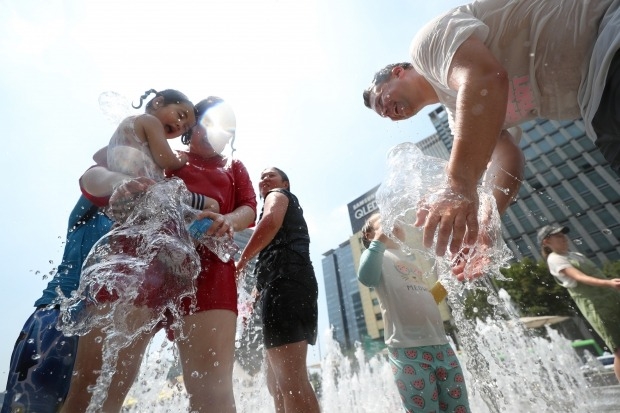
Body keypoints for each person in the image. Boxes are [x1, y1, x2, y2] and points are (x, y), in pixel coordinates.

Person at [363, 0, 620, 275]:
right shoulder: (457, 116)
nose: (388, 112)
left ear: (398, 72)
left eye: (382, 100)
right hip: (594, 104)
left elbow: (485, 78)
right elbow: (507, 158)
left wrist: (458, 184)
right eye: (383, 115)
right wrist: (487, 224)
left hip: (606, 35)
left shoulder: (426, 46)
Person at [61, 97, 257, 413]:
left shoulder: (232, 167)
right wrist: (119, 182)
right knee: (95, 391)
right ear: (192, 124)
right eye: (210, 121)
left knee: (212, 397)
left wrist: (228, 220)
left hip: (208, 269)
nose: (216, 131)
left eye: (227, 128)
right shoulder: (162, 158)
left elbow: (248, 208)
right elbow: (93, 177)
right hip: (141, 262)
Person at [0, 193, 113, 413]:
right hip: (55, 317)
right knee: (29, 406)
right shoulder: (83, 218)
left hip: (100, 328)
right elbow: (99, 167)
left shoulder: (131, 228)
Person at [358, 212, 470, 413]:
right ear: (369, 235)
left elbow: (427, 298)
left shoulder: (410, 261)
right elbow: (366, 277)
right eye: (384, 220)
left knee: (459, 408)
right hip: (408, 350)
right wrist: (379, 240)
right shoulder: (376, 256)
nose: (392, 221)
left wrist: (448, 279)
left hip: (442, 346)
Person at [236, 167, 320, 413]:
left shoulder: (278, 195)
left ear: (285, 182)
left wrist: (241, 262)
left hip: (286, 285)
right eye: (261, 177)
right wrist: (256, 296)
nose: (264, 179)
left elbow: (271, 220)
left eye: (270, 174)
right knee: (277, 384)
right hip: (283, 286)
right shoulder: (282, 205)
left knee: (291, 384)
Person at [539, 224, 620, 382]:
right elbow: (579, 277)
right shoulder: (554, 259)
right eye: (558, 236)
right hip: (596, 307)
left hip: (612, 300)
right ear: (546, 242)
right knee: (618, 350)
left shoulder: (574, 254)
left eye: (563, 235)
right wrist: (609, 283)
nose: (564, 238)